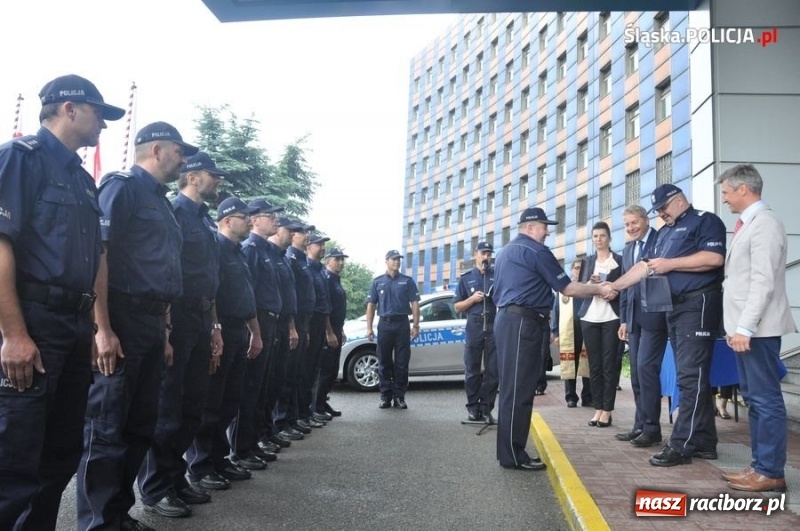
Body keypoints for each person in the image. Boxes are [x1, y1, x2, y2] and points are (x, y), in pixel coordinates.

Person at [0, 74, 123, 531]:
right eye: (98, 113)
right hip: (34, 322)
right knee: (14, 460)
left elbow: (94, 259)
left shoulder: (83, 180)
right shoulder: (20, 158)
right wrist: (14, 334)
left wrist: (95, 327)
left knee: (60, 454)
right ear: (69, 108)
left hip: (72, 327)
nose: (103, 125)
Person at [77, 122, 197, 530]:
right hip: (121, 319)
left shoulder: (162, 204)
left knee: (140, 427)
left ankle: (116, 515)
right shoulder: (122, 188)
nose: (183, 160)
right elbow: (99, 255)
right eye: (179, 151)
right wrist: (102, 329)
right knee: (107, 427)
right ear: (157, 150)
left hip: (152, 323)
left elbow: (164, 273)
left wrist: (165, 333)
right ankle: (97, 523)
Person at [611, 184, 726, 468]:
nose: (660, 213)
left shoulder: (705, 221)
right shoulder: (664, 233)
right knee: (693, 376)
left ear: (679, 201)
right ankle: (704, 441)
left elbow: (714, 258)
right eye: (657, 210)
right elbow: (646, 266)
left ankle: (681, 444)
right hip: (673, 309)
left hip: (697, 305)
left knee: (689, 377)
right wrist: (614, 286)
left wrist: (671, 264)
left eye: (663, 207)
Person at [137, 151, 226, 517]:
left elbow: (211, 281)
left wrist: (215, 326)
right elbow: (167, 271)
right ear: (192, 177)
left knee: (192, 407)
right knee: (168, 409)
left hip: (202, 318)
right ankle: (156, 489)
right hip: (179, 316)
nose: (217, 180)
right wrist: (168, 328)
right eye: (212, 174)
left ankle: (175, 479)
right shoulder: (175, 212)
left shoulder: (205, 221)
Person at [493, 207, 615, 471]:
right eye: (544, 227)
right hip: (523, 323)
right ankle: (513, 455)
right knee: (519, 390)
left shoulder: (505, 252)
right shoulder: (536, 251)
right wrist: (599, 288)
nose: (547, 232)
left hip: (508, 321)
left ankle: (509, 452)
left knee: (513, 388)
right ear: (530, 228)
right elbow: (567, 288)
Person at [717, 164, 796, 492]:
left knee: (765, 400)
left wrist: (745, 328)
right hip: (747, 330)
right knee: (754, 398)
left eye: (726, 192)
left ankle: (771, 471)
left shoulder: (765, 224)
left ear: (743, 189)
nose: (724, 199)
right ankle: (760, 465)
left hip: (757, 331)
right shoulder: (750, 223)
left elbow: (762, 282)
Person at [186, 196, 263, 493]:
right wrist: (215, 329)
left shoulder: (239, 253)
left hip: (239, 330)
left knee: (230, 400)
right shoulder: (216, 247)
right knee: (211, 402)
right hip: (222, 330)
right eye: (244, 217)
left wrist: (254, 332)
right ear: (228, 220)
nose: (249, 221)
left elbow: (248, 297)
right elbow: (212, 293)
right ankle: (201, 465)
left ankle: (219, 459)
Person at [231, 198, 286, 469]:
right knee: (250, 389)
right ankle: (241, 450)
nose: (275, 220)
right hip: (257, 321)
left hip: (270, 321)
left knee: (262, 388)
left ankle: (252, 443)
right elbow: (248, 293)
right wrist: (254, 330)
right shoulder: (251, 249)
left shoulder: (265, 250)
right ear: (254, 220)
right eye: (269, 216)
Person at [614, 205, 668, 448]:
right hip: (634, 319)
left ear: (646, 220)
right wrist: (624, 319)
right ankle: (640, 425)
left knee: (646, 369)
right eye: (627, 224)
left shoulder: (660, 241)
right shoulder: (628, 249)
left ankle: (652, 428)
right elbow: (626, 287)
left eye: (634, 222)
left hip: (655, 316)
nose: (631, 228)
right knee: (636, 373)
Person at [578, 221, 623, 428]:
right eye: (595, 236)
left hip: (611, 317)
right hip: (590, 317)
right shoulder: (587, 262)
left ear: (609, 238)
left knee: (609, 365)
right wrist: (591, 285)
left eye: (602, 236)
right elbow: (579, 288)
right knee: (594, 366)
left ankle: (607, 410)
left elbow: (625, 288)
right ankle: (597, 409)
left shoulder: (619, 261)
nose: (598, 239)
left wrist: (613, 291)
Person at [366, 250, 421, 409]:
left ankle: (399, 397)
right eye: (393, 259)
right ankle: (385, 396)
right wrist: (369, 327)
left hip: (402, 324)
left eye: (398, 259)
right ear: (386, 261)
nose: (397, 262)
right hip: (385, 324)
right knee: (384, 361)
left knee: (402, 363)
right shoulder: (377, 282)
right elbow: (371, 305)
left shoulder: (407, 281)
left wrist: (416, 325)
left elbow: (415, 303)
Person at [453, 241, 498, 422]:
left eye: (489, 254)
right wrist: (472, 299)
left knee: (493, 370)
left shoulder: (497, 275)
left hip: (493, 325)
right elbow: (457, 306)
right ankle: (472, 408)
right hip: (474, 325)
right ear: (475, 255)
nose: (486, 257)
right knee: (472, 369)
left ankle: (486, 408)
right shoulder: (466, 278)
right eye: (483, 253)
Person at [314, 248, 349, 418]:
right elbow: (325, 308)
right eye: (337, 259)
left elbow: (337, 309)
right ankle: (316, 406)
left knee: (333, 370)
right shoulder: (326, 279)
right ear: (327, 261)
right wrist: (329, 332)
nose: (341, 262)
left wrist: (340, 330)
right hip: (327, 330)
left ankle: (322, 401)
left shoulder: (335, 279)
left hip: (336, 328)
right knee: (325, 370)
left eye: (342, 259)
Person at [552, 260, 592, 408]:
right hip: (569, 329)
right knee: (570, 362)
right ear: (572, 270)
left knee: (587, 363)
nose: (578, 270)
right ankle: (571, 397)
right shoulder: (564, 287)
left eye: (581, 268)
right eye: (576, 267)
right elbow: (556, 310)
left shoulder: (589, 287)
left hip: (587, 328)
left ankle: (588, 397)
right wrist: (555, 332)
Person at [304, 233, 334, 424]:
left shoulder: (320, 270)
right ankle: (303, 413)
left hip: (320, 323)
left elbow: (325, 302)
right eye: (318, 244)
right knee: (305, 371)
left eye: (323, 245)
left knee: (313, 371)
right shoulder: (306, 267)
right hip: (310, 322)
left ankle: (308, 412)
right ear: (309, 246)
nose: (322, 248)